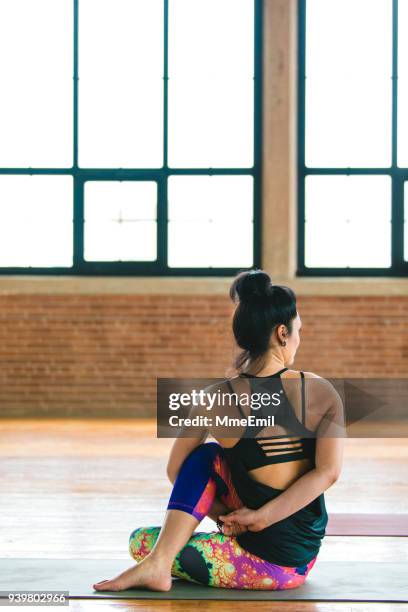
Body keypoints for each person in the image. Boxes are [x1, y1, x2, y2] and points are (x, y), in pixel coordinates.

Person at [93, 268, 345, 592]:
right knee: (204, 464)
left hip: (264, 564)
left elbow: (175, 469)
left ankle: (159, 562)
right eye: (298, 330)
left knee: (142, 541)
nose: (299, 338)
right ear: (282, 333)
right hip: (297, 561)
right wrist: (256, 518)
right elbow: (329, 472)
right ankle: (161, 562)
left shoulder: (213, 398)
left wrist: (231, 519)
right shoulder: (322, 391)